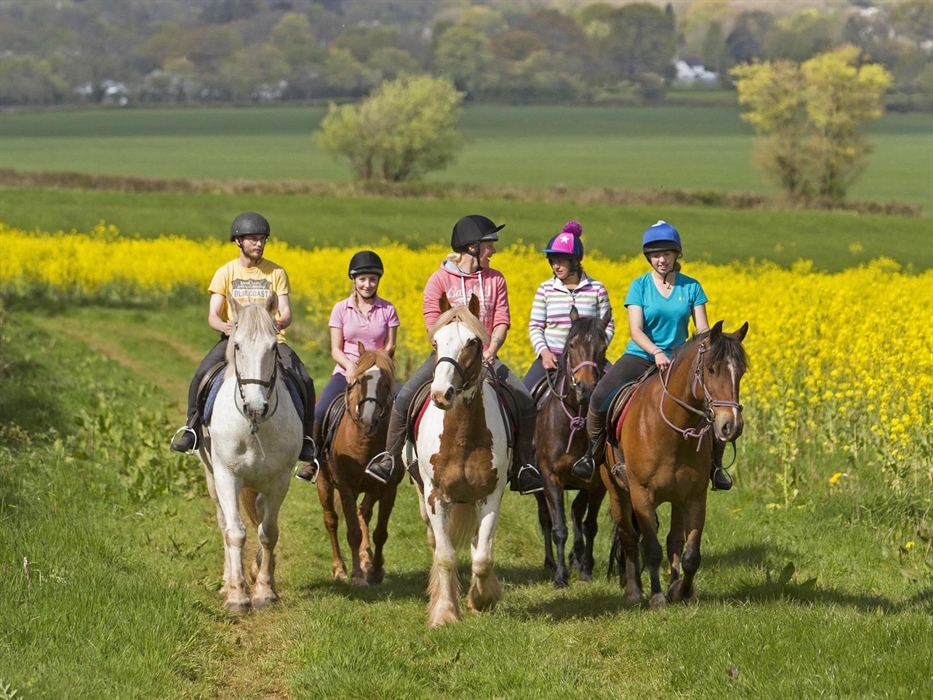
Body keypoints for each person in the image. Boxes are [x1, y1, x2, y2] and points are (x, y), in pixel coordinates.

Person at [365, 214, 543, 495]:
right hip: (447, 357)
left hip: (485, 356)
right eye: (489, 245)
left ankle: (523, 467)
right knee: (403, 399)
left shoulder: (496, 279)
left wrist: (491, 350)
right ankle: (389, 458)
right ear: (472, 246)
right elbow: (432, 324)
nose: (493, 250)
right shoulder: (439, 280)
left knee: (525, 402)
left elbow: (501, 320)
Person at [573, 220, 733, 491]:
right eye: (656, 254)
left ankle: (715, 467)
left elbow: (702, 329)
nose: (662, 259)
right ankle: (592, 455)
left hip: (681, 362)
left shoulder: (692, 287)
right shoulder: (639, 286)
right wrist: (656, 351)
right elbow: (636, 330)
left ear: (676, 255)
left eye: (667, 253)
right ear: (649, 257)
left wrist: (709, 347)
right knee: (600, 396)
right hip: (641, 355)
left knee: (713, 403)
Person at [170, 212, 317, 465]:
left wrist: (279, 322)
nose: (258, 244)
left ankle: (305, 438)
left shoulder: (277, 273)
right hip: (235, 342)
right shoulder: (225, 272)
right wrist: (226, 328)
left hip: (271, 341)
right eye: (252, 239)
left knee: (304, 378)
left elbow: (286, 311)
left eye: (262, 239)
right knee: (202, 374)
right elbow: (213, 315)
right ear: (238, 241)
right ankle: (192, 429)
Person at [295, 251, 400, 482]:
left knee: (403, 406)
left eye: (372, 279)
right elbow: (336, 349)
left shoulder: (388, 309)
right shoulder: (341, 309)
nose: (367, 284)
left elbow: (391, 345)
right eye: (362, 279)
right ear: (354, 280)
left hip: (379, 372)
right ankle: (311, 460)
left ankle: (399, 459)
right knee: (320, 410)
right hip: (347, 370)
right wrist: (352, 368)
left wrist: (376, 364)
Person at [523, 220, 615, 391]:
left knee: (615, 391)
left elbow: (608, 326)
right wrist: (544, 353)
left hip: (589, 358)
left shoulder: (597, 289)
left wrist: (595, 351)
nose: (555, 266)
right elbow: (535, 327)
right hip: (553, 357)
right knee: (523, 397)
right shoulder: (545, 289)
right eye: (552, 261)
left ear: (575, 261)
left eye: (561, 261)